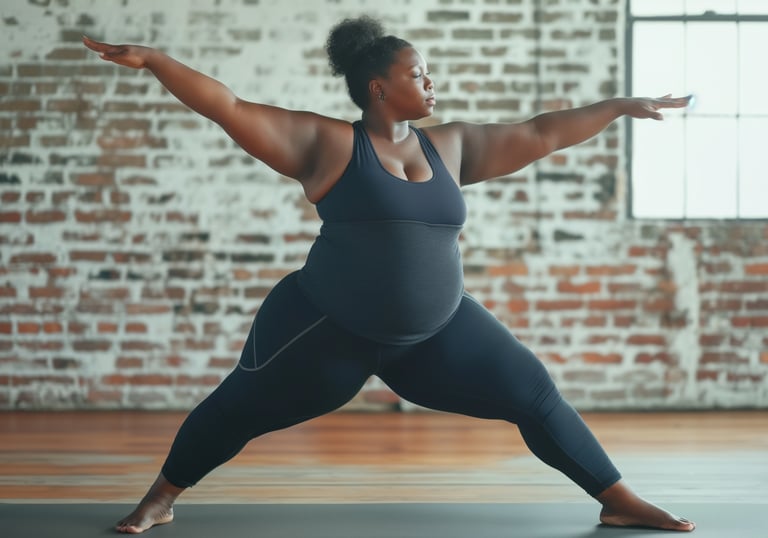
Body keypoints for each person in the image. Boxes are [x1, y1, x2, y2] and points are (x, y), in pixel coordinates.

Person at [83, 15, 694, 535]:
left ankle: (617, 501)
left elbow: (539, 133)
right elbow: (230, 107)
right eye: (417, 73)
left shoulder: (448, 146)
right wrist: (159, 61)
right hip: (326, 327)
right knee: (238, 407)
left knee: (533, 392)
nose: (431, 81)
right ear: (378, 88)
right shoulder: (327, 144)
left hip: (438, 330)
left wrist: (617, 106)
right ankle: (161, 498)